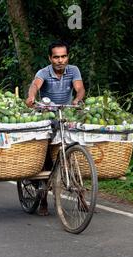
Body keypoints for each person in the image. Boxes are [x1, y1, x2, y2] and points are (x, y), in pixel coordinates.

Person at [26, 40, 86, 215]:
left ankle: (81, 196)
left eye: (63, 56)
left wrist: (77, 99)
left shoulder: (73, 70)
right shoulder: (43, 72)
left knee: (74, 150)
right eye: (56, 57)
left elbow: (79, 88)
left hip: (66, 114)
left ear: (68, 57)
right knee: (45, 156)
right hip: (48, 116)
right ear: (50, 58)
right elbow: (35, 85)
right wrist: (31, 97)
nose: (60, 60)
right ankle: (43, 198)